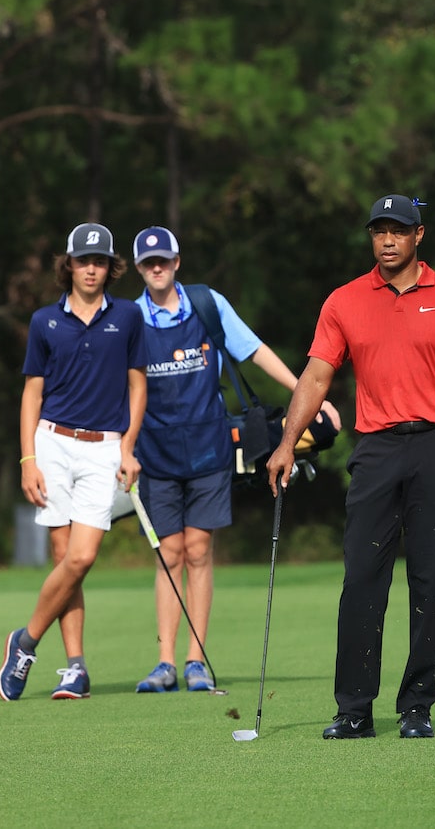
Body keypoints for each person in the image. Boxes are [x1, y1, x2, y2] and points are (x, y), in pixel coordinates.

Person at [264, 194, 435, 740]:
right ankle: (355, 709)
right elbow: (315, 378)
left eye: (398, 231)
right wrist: (286, 443)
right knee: (362, 577)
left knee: (429, 580)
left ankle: (416, 707)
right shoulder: (344, 301)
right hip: (376, 449)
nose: (387, 240)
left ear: (419, 236)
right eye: (378, 231)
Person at [129, 226, 340, 694]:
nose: (157, 268)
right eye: (148, 263)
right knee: (169, 553)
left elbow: (256, 350)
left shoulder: (207, 305)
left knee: (199, 550)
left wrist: (307, 395)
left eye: (163, 259)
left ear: (177, 262)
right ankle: (164, 663)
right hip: (154, 454)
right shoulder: (130, 319)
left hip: (208, 447)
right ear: (140, 269)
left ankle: (196, 660)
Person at [0, 222, 147, 701]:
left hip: (104, 446)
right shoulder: (45, 321)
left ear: (110, 268)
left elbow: (138, 385)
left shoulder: (127, 316)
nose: (91, 269)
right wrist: (27, 459)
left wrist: (127, 447)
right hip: (52, 445)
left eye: (99, 261)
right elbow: (31, 393)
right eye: (83, 260)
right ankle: (76, 668)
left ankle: (24, 641)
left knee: (81, 558)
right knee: (65, 560)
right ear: (69, 265)